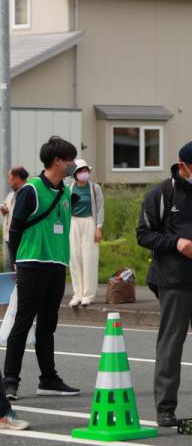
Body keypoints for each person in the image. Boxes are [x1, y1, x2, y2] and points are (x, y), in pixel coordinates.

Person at [136, 140, 192, 427]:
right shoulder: (161, 193)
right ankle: (165, 408)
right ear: (183, 165)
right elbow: (144, 235)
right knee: (171, 346)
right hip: (173, 280)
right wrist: (176, 242)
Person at [2, 135, 81, 401]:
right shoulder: (31, 189)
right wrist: (16, 259)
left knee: (48, 325)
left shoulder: (66, 191)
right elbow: (15, 228)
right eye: (69, 160)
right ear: (57, 161)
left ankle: (48, 379)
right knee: (23, 323)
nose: (73, 164)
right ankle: (10, 381)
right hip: (32, 263)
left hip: (57, 264)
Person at [67, 158, 104, 309]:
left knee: (89, 258)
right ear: (75, 174)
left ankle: (88, 295)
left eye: (85, 171)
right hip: (73, 223)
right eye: (80, 171)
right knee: (74, 258)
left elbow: (100, 208)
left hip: (89, 222)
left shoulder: (94, 188)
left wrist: (99, 227)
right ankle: (77, 294)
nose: (83, 173)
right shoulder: (68, 189)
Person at [1, 166, 28, 265]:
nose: (8, 180)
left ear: (17, 177)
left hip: (21, 236)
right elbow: (6, 209)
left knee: (21, 264)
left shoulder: (28, 192)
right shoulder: (12, 194)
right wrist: (4, 210)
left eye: (10, 177)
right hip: (10, 235)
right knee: (15, 265)